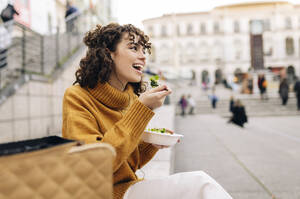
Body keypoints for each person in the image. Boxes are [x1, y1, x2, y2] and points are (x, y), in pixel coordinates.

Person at [62, 23, 232, 199]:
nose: (143, 57)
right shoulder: (77, 97)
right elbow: (95, 166)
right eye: (133, 48)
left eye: (143, 51)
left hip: (126, 190)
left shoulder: (130, 100)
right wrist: (141, 110)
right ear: (109, 53)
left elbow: (127, 164)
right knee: (200, 183)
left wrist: (151, 145)